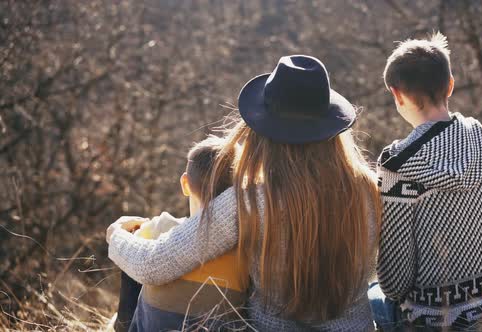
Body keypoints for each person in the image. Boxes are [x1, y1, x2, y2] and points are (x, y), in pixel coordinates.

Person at [107, 55, 381, 331]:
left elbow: (154, 266)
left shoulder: (254, 201)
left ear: (264, 131)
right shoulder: (371, 189)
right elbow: (391, 276)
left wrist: (116, 236)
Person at [370, 32, 482, 329]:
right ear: (450, 85)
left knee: (369, 295)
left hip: (432, 320)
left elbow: (395, 285)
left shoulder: (397, 167)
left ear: (397, 94)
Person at [110, 136, 248, 332]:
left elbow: (132, 255)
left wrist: (126, 232)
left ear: (185, 183)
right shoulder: (248, 246)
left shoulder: (161, 227)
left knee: (131, 259)